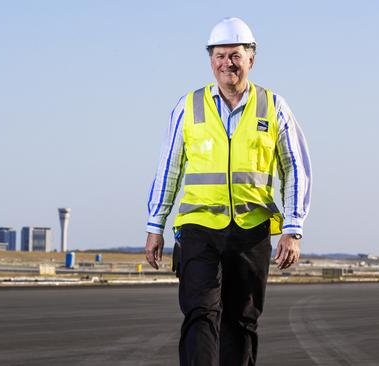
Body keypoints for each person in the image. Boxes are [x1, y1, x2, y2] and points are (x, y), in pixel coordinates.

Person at [144, 17, 312, 366]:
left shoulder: (274, 107)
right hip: (198, 228)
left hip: (252, 231)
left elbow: (295, 168)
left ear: (252, 58)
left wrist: (293, 229)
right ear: (210, 60)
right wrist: (155, 224)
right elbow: (169, 168)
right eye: (219, 55)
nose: (227, 63)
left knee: (241, 319)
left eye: (235, 55)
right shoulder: (188, 107)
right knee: (200, 312)